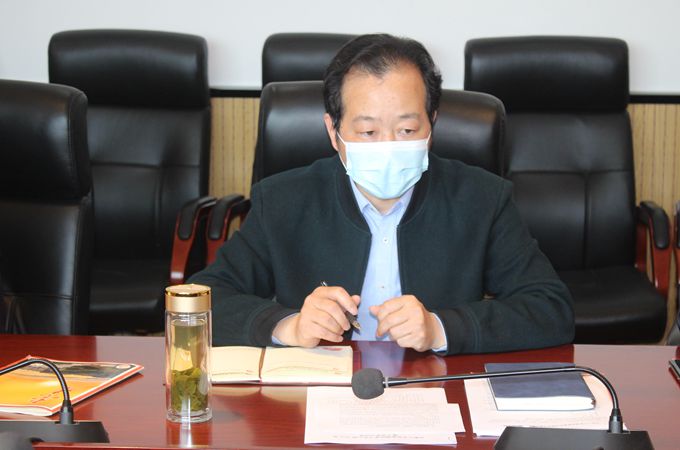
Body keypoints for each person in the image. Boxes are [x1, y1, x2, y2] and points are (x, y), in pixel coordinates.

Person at [189, 33, 574, 355]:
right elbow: (202, 301)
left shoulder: (481, 199)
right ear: (333, 132)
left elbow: (550, 308)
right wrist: (289, 325)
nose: (388, 146)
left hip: (435, 390)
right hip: (321, 396)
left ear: (432, 124)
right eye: (368, 132)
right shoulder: (283, 201)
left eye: (407, 130)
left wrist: (440, 328)